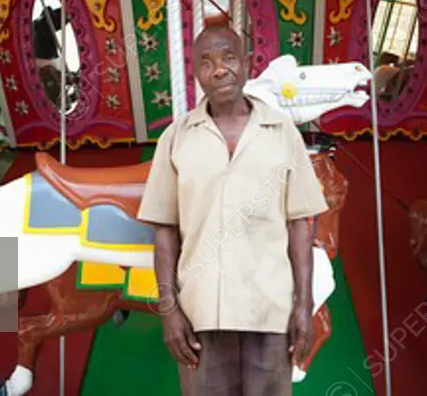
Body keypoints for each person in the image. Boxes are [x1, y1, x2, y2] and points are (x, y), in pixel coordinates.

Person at [137, 25, 329, 396]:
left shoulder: (282, 131)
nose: (219, 69)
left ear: (246, 63)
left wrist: (303, 306)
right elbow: (164, 230)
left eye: (228, 58)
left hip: (269, 311)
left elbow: (299, 225)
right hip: (200, 313)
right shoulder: (176, 138)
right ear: (196, 74)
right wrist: (170, 311)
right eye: (206, 63)